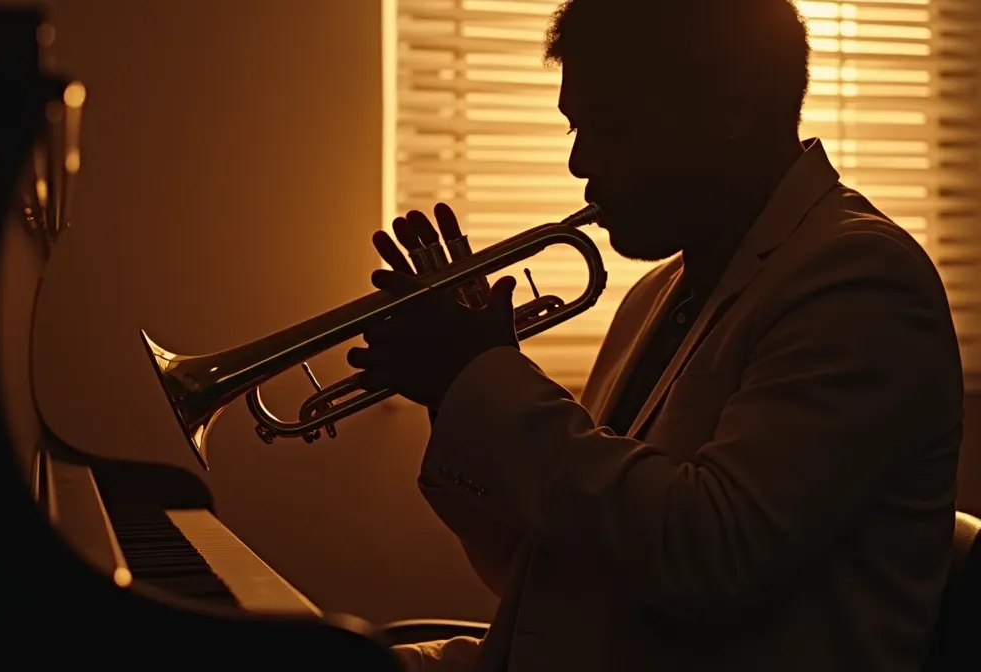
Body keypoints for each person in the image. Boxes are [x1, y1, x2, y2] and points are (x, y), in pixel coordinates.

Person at [346, 0, 965, 670]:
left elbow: (708, 557)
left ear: (733, 110)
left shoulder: (859, 279)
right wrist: (456, 397)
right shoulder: (657, 294)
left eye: (611, 128)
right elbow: (555, 575)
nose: (579, 164)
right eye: (575, 129)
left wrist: (484, 378)